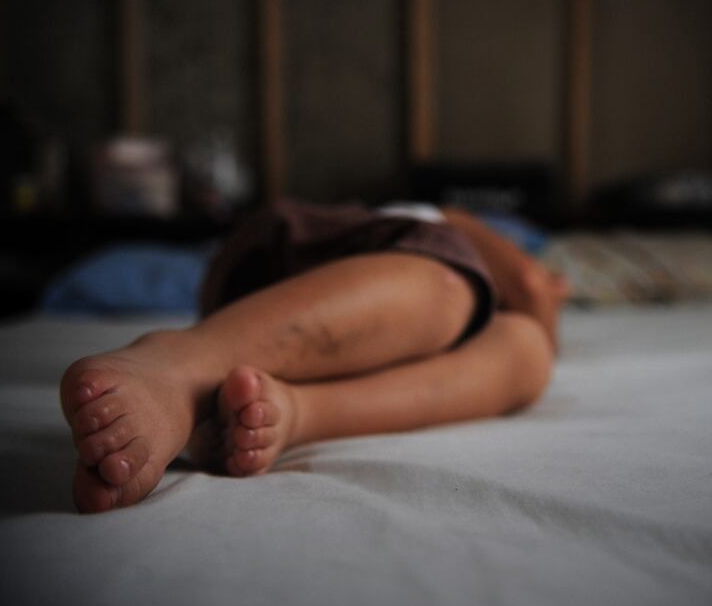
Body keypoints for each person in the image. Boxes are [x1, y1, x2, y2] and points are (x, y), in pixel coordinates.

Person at [59, 200, 569, 513]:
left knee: (527, 351)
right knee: (453, 292)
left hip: (334, 336)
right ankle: (185, 363)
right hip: (312, 261)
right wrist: (545, 301)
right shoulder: (454, 227)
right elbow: (530, 284)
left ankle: (290, 408)